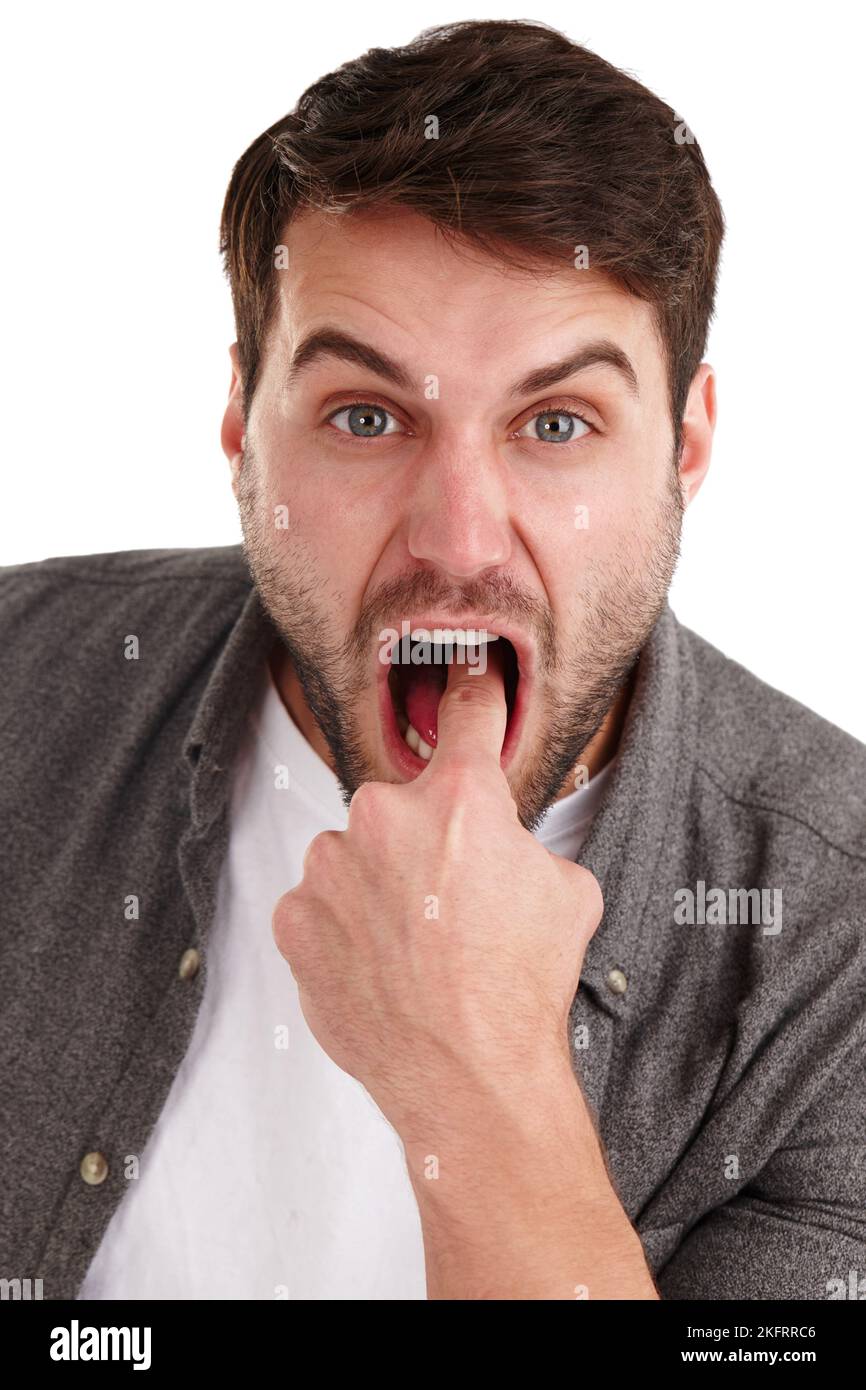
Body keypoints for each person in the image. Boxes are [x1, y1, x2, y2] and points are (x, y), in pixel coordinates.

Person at [2, 18, 864, 1302]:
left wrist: (474, 1067)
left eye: (556, 422)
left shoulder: (834, 954)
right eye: (364, 415)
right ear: (243, 425)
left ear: (683, 445)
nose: (457, 541)